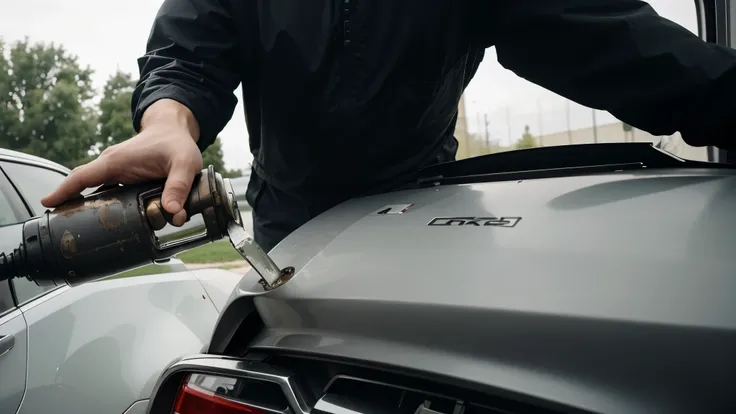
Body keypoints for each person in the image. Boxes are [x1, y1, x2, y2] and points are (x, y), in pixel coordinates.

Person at [42, 0, 736, 252]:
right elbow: (187, 55)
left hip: (428, 222)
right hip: (290, 232)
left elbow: (615, 41)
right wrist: (168, 120)